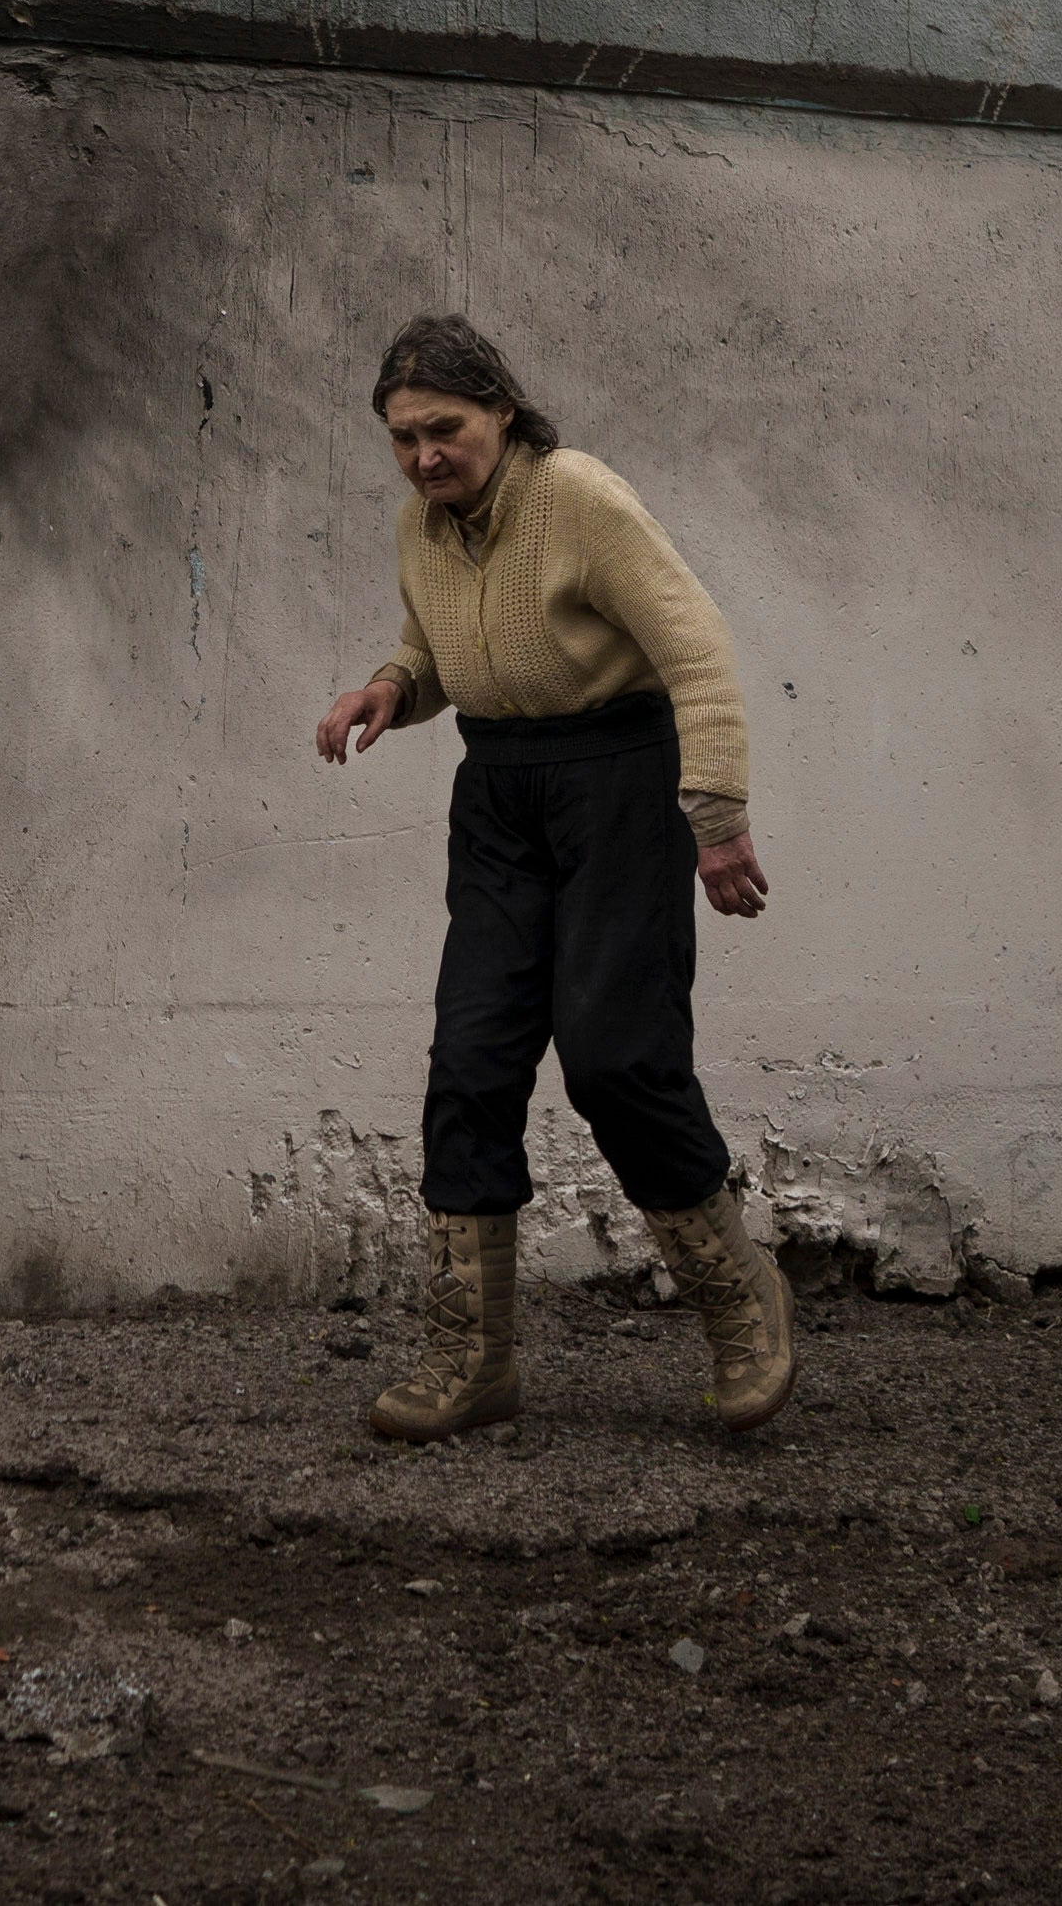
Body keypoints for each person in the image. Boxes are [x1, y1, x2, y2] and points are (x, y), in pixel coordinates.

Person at [311, 315, 796, 1442]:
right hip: (497, 796)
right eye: (401, 437)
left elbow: (693, 647)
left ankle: (739, 1302)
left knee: (614, 1054)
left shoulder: (577, 495)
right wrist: (390, 685)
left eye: (444, 429)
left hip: (619, 783)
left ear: (503, 416)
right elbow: (441, 647)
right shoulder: (421, 527)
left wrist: (714, 816)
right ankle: (469, 1360)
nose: (424, 455)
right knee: (468, 1060)